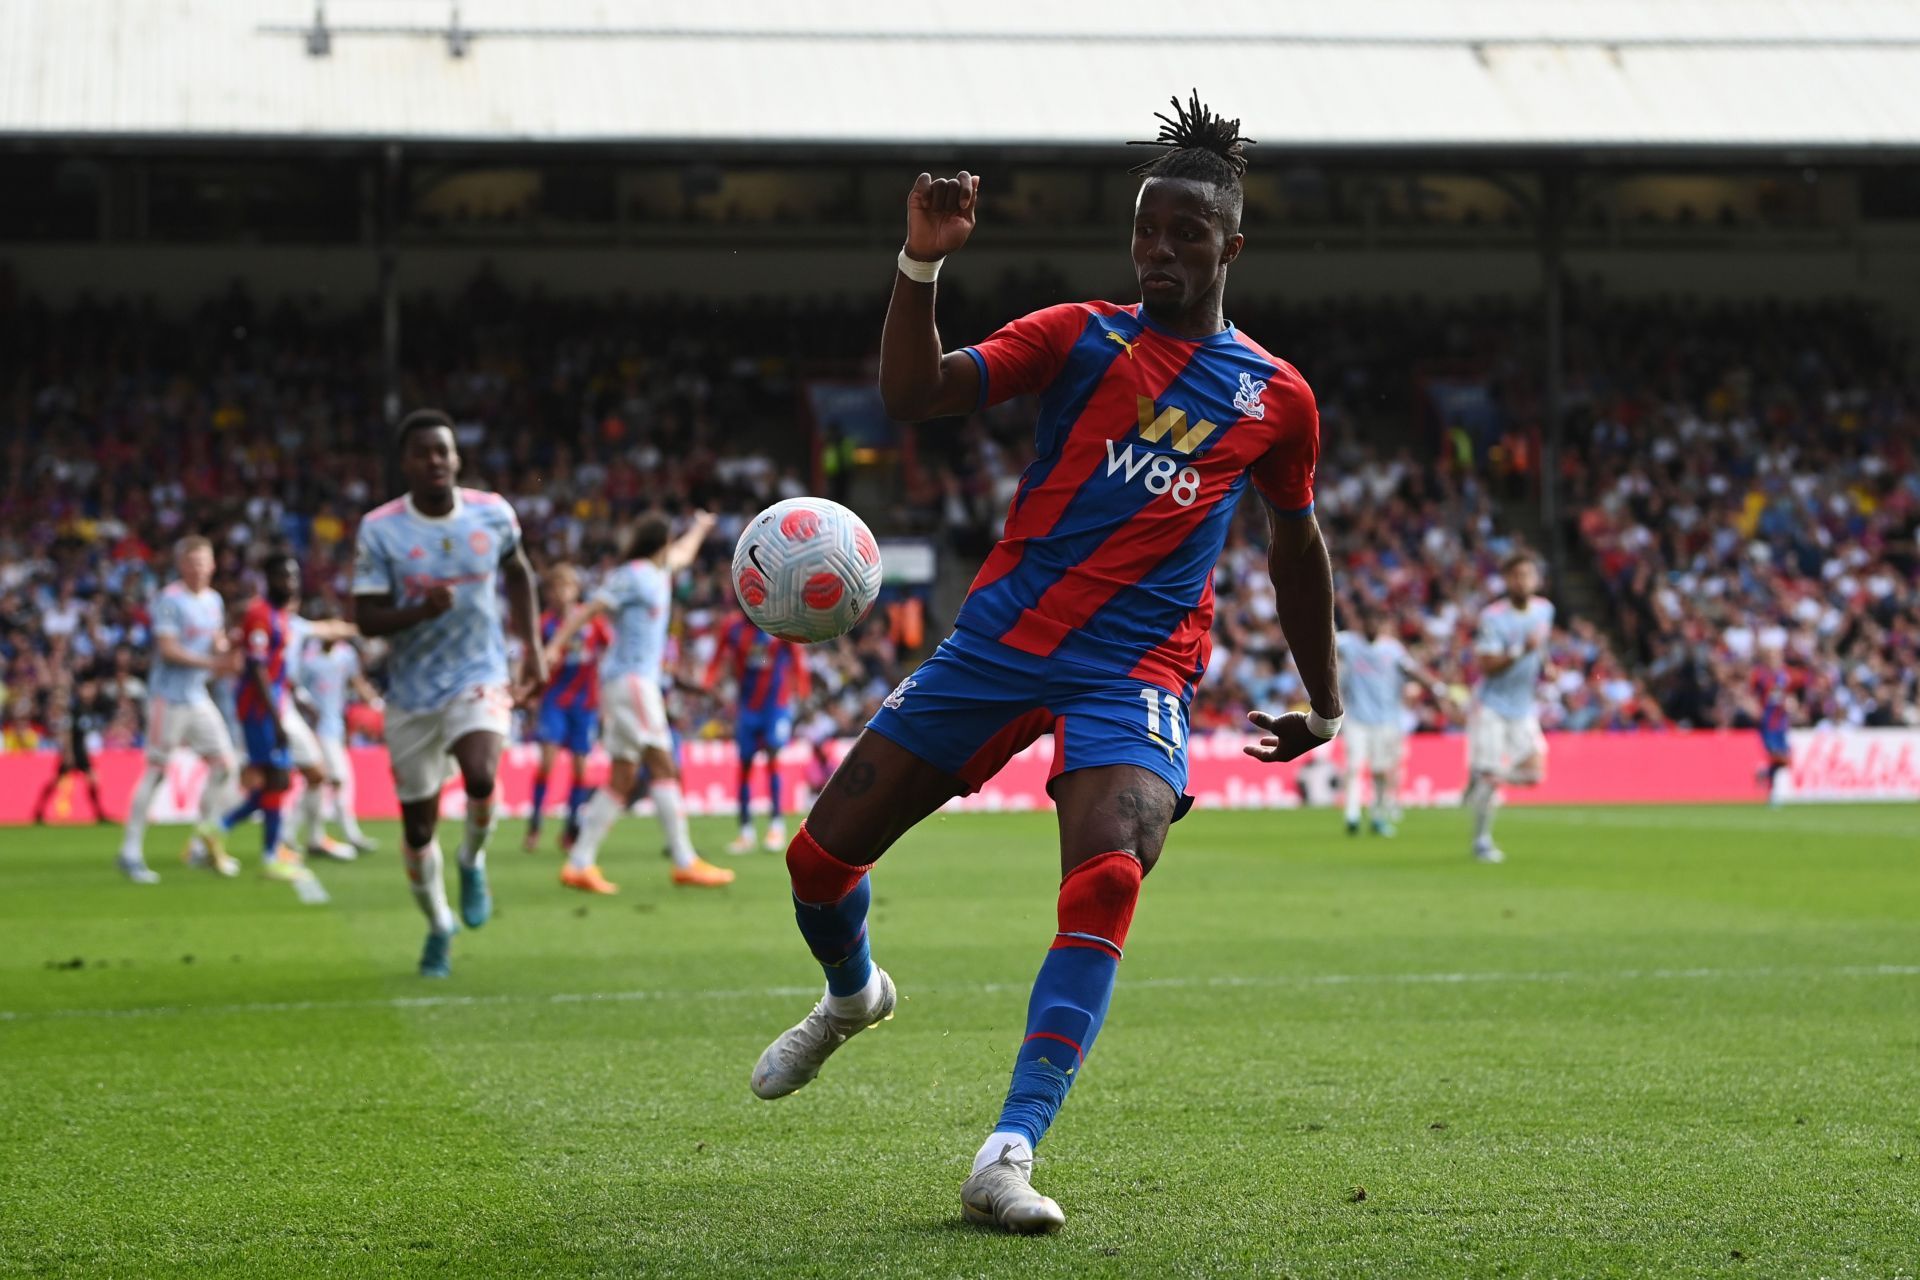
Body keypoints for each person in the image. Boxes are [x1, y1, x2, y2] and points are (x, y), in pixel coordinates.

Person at [747, 93, 1343, 1234]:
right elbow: (914, 395)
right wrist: (921, 262)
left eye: (1186, 235)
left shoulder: (1277, 397)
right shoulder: (1079, 333)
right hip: (999, 643)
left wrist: (1327, 698)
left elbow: (1295, 539)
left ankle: (1006, 1148)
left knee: (1111, 870)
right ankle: (851, 993)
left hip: (1137, 669)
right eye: (1145, 232)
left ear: (1233, 246)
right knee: (818, 861)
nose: (1160, 252)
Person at [351, 410, 546, 978]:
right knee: (416, 830)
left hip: (478, 673)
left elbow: (518, 573)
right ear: (405, 463)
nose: (434, 460)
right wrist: (418, 610)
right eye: (422, 453)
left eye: (443, 451)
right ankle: (439, 925)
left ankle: (472, 859)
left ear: (456, 458)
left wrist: (531, 645)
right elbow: (364, 618)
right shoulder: (381, 529)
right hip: (410, 695)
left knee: (483, 774)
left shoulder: (492, 513)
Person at [546, 510, 734, 892]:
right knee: (663, 764)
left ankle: (579, 863)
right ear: (659, 544)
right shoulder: (631, 575)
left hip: (629, 682)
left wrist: (699, 527)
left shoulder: (657, 572)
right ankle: (684, 860)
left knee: (623, 777)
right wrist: (555, 645)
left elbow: (683, 553)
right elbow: (591, 608)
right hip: (631, 681)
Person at [216, 552, 354, 887]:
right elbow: (258, 668)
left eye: (293, 577)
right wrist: (277, 717)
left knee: (278, 780)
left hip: (278, 707)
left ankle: (226, 834)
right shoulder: (263, 616)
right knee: (276, 779)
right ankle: (270, 851)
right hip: (264, 710)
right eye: (282, 577)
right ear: (269, 580)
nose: (289, 584)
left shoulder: (285, 619)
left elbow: (281, 671)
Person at [117, 536, 242, 884]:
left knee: (225, 766)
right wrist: (213, 661)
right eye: (193, 562)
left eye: (205, 561)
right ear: (182, 566)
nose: (200, 568)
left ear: (214, 564)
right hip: (167, 699)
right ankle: (130, 852)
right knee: (156, 771)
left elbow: (215, 638)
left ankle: (201, 844)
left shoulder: (214, 600)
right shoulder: (170, 600)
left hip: (197, 696)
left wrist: (228, 647)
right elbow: (169, 649)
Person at [1462, 552, 1554, 863]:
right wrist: (1519, 651)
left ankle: (1484, 773)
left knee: (1535, 775)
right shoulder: (1493, 616)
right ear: (1507, 580)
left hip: (1523, 706)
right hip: (1491, 706)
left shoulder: (1545, 610)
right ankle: (1482, 840)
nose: (1523, 581)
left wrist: (1546, 665)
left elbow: (1539, 646)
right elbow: (1486, 665)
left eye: (1528, 575)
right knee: (1492, 785)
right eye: (1516, 576)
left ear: (1536, 579)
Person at [1335, 603, 1447, 838]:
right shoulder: (1348, 643)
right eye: (1368, 621)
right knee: (1354, 766)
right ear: (1360, 623)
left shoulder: (1392, 650)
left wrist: (1436, 686)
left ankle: (1377, 815)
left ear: (1383, 625)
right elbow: (1324, 640)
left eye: (1377, 621)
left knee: (1380, 770)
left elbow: (1411, 670)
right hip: (1357, 717)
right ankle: (1352, 815)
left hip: (1386, 719)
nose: (1372, 626)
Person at [704, 607, 811, 854]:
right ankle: (745, 831)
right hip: (747, 707)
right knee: (745, 765)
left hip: (775, 705)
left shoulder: (780, 623)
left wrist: (802, 689)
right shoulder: (733, 628)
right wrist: (709, 680)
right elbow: (719, 655)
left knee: (773, 758)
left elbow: (795, 655)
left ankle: (776, 825)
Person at [524, 564, 611, 853]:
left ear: (575, 590)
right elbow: (530, 662)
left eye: (567, 587)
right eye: (555, 588)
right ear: (548, 593)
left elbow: (611, 650)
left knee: (580, 768)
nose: (561, 593)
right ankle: (535, 825)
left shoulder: (593, 623)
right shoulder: (545, 624)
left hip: (585, 705)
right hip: (554, 702)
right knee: (547, 763)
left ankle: (571, 829)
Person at [292, 629, 381, 856]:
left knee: (317, 781)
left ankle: (299, 834)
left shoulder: (346, 654)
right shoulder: (308, 657)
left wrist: (375, 702)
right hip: (316, 728)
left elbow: (356, 680)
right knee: (338, 780)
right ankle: (349, 834)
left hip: (335, 726)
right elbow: (295, 686)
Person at [32, 670, 113, 825]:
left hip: (81, 750)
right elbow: (67, 731)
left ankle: (99, 813)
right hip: (73, 751)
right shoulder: (75, 709)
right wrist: (68, 753)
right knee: (58, 780)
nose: (90, 692)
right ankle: (39, 811)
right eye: (87, 688)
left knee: (92, 780)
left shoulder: (87, 708)